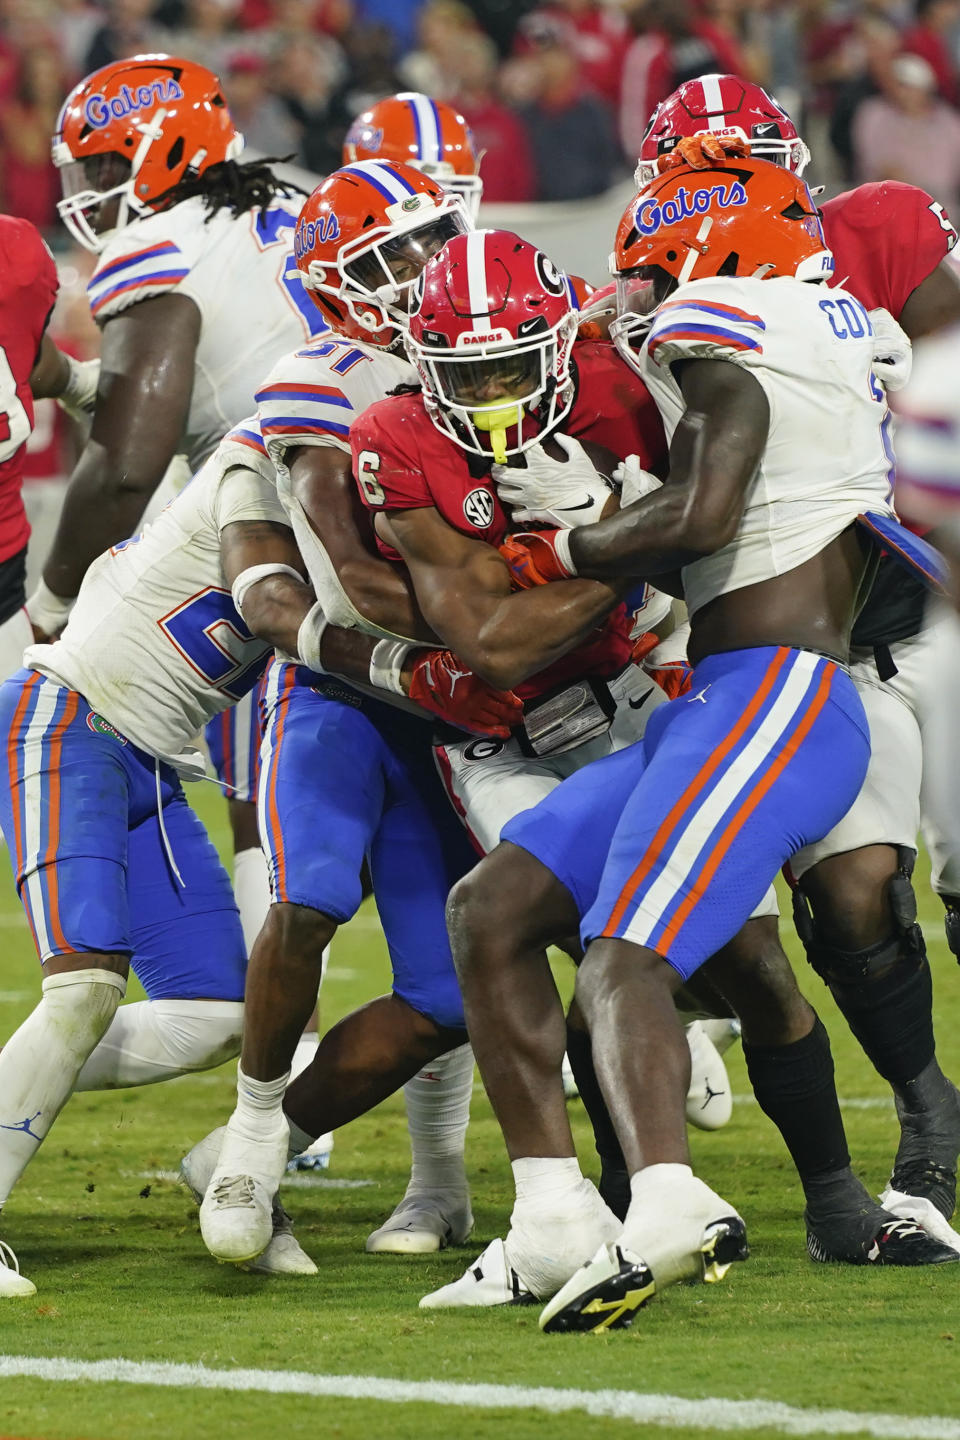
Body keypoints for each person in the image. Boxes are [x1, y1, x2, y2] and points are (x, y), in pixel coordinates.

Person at [436, 155, 959, 1333]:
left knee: (627, 956)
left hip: (777, 697)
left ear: (708, 253)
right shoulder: (822, 316)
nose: (643, 293)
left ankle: (670, 1205)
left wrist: (572, 545)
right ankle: (555, 1217)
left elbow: (710, 511)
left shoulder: (732, 322)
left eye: (659, 266)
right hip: (733, 692)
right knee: (495, 906)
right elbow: (731, 518)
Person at [625, 72, 960, 1259]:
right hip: (809, 645)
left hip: (920, 607)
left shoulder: (874, 232)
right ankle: (928, 1119)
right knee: (844, 896)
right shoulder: (679, 293)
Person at [191, 160, 514, 1266]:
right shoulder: (318, 378)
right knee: (314, 894)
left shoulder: (485, 344)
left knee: (444, 989)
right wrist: (509, 617)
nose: (425, 268)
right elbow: (353, 580)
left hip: (456, 710)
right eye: (390, 256)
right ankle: (243, 1136)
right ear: (335, 285)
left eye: (434, 238)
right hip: (346, 689)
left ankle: (273, 1146)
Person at [33, 53, 328, 1001]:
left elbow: (126, 464)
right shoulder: (281, 208)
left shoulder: (156, 245)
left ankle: (270, 1045)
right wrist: (84, 385)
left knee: (243, 791)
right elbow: (209, 392)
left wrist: (53, 595)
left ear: (165, 152)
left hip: (276, 523)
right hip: (382, 503)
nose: (94, 193)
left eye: (109, 167)